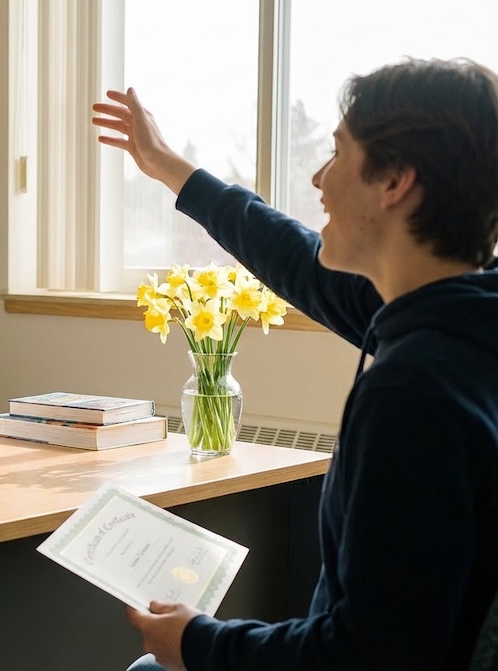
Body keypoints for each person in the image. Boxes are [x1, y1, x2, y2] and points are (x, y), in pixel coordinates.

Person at [92, 58, 498, 670]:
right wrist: (170, 169)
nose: (318, 178)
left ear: (395, 183)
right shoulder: (460, 321)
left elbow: (371, 655)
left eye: (338, 154)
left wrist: (198, 643)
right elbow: (295, 258)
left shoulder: (414, 393)